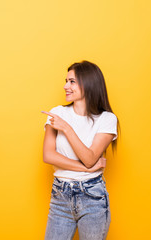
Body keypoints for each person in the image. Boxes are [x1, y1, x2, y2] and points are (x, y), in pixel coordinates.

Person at [42, 61, 119, 240]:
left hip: (92, 196)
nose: (65, 86)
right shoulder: (57, 112)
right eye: (66, 81)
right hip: (60, 195)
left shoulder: (107, 119)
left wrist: (67, 128)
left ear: (88, 83)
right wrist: (85, 169)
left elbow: (90, 158)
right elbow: (48, 155)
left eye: (72, 82)